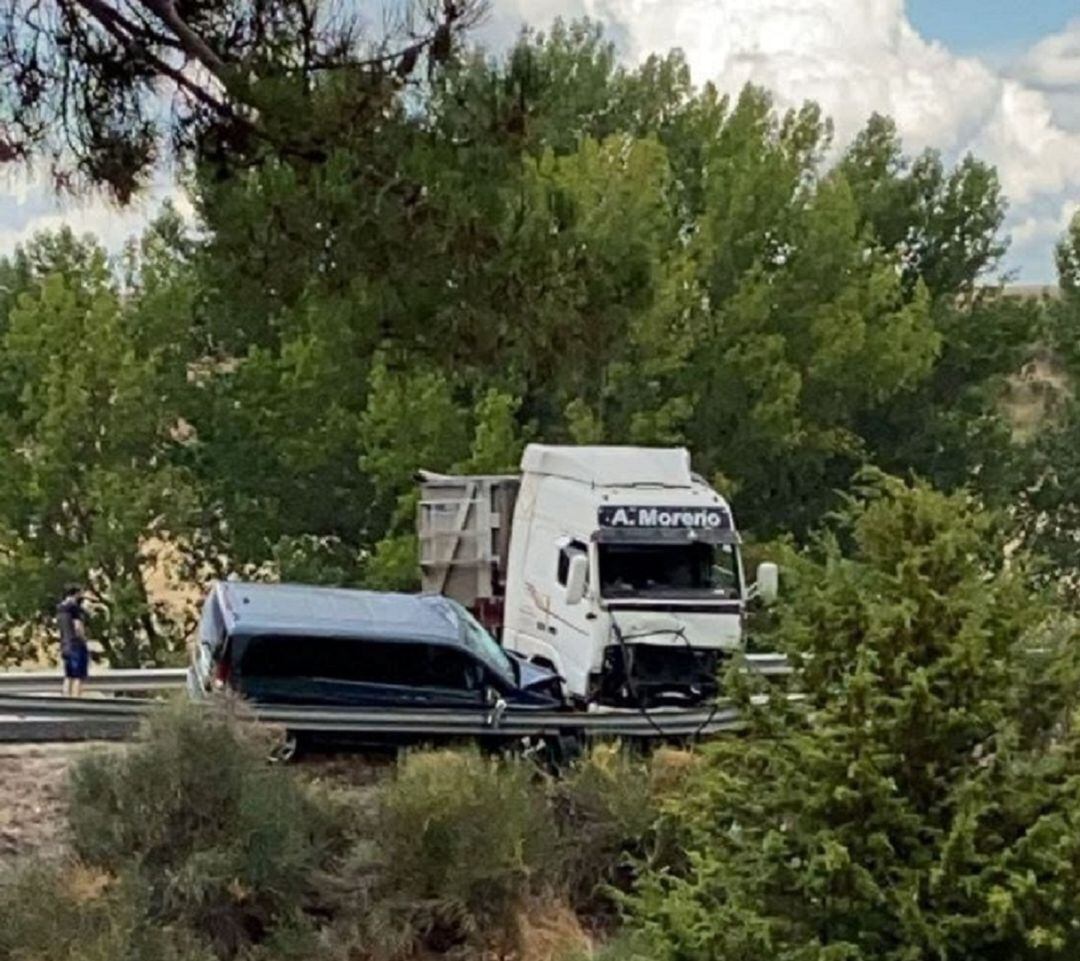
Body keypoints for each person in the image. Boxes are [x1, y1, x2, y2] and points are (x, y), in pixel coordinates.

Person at [57, 584, 89, 697]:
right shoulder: (74, 608)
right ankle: (77, 701)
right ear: (76, 594)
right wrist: (84, 639)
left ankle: (66, 701)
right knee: (78, 676)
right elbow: (77, 626)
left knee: (68, 675)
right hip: (76, 645)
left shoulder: (60, 608)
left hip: (65, 645)